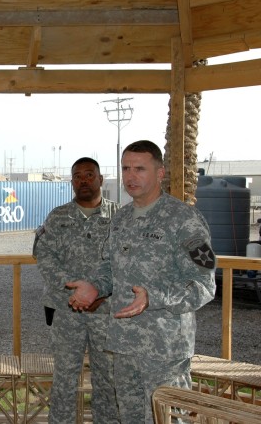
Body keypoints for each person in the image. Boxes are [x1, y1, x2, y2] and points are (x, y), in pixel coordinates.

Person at [68, 140, 216, 423]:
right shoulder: (121, 219)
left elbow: (204, 283)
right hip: (124, 344)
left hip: (165, 350)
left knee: (168, 419)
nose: (130, 176)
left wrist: (153, 296)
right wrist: (95, 286)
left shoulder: (186, 220)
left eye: (140, 169)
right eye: (126, 168)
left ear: (160, 173)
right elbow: (109, 268)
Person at [33, 157, 119, 423]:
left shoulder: (120, 217)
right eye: (78, 176)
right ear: (72, 182)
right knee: (64, 378)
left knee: (108, 379)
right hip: (67, 310)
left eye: (89, 175)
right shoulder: (58, 217)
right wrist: (76, 294)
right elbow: (45, 257)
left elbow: (126, 261)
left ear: (100, 179)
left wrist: (99, 292)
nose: (83, 180)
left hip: (106, 311)